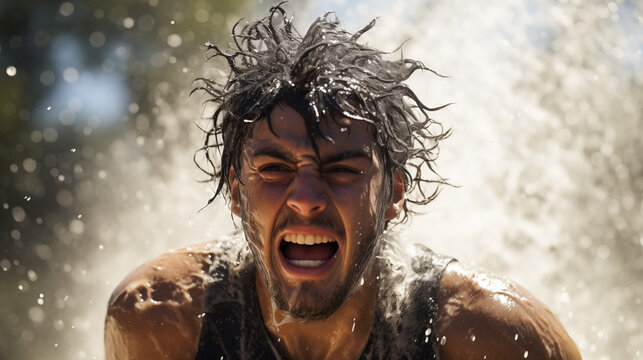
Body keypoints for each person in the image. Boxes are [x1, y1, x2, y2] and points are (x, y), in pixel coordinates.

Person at [104, 4, 582, 359]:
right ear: (236, 192)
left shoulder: (490, 338)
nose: (307, 200)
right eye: (274, 170)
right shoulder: (163, 321)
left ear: (393, 192)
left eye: (341, 170)